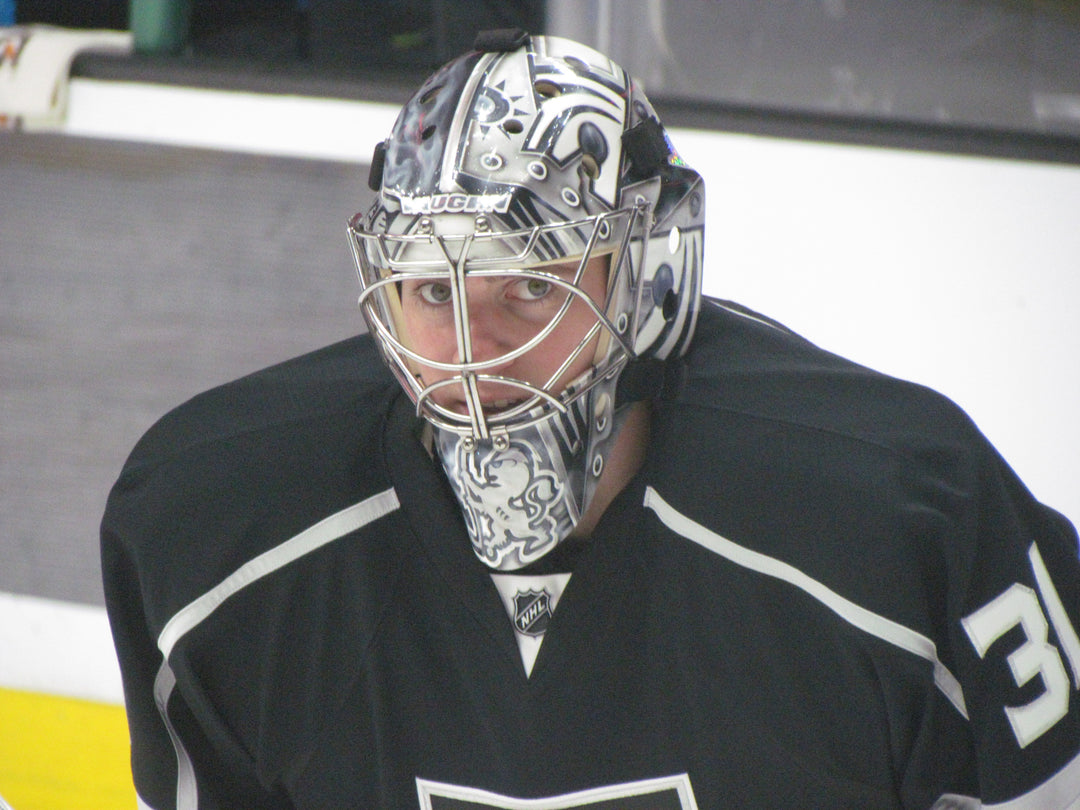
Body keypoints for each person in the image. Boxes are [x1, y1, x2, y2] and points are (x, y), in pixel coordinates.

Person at [101, 29, 1080, 810]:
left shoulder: (901, 519)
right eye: (432, 291)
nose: (472, 354)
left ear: (648, 280)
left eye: (530, 284)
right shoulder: (215, 537)